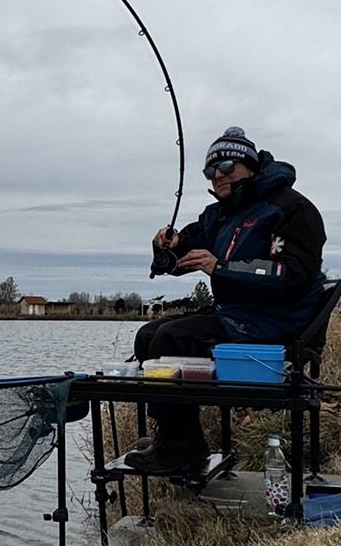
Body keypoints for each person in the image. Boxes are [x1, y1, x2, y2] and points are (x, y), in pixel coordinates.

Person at [125, 125, 327, 475]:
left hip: (278, 321)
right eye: (209, 170)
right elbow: (180, 258)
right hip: (238, 315)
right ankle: (180, 439)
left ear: (250, 166)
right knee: (147, 336)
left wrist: (221, 268)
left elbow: (291, 278)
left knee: (173, 339)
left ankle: (178, 449)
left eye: (226, 168)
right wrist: (165, 246)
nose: (216, 176)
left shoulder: (292, 209)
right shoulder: (219, 214)